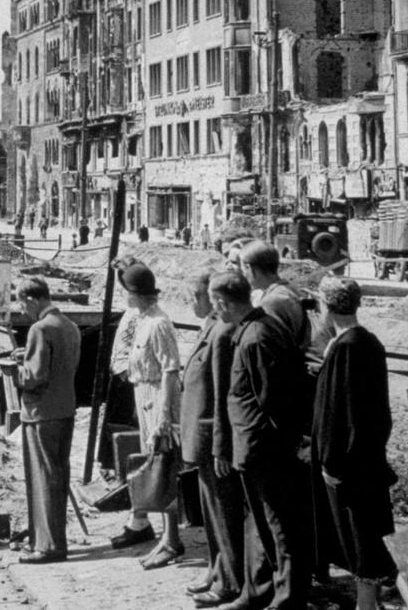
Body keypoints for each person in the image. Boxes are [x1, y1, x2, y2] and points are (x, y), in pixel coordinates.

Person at [208, 271, 309, 610]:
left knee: (279, 526)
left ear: (223, 302)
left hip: (265, 450)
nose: (214, 312)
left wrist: (276, 445)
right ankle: (260, 591)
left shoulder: (256, 337)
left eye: (214, 305)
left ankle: (287, 600)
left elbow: (275, 401)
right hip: (254, 448)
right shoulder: (253, 330)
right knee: (263, 524)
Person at [311, 276, 395, 610]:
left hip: (350, 463)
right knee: (367, 530)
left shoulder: (345, 347)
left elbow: (338, 411)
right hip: (367, 457)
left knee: (359, 534)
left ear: (325, 307)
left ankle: (365, 604)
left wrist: (332, 462)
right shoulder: (368, 342)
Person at [114, 261, 184, 569]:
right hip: (143, 394)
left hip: (158, 397)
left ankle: (172, 540)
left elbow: (170, 370)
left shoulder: (158, 323)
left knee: (164, 466)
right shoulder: (141, 319)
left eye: (127, 291)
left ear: (137, 293)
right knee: (150, 465)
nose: (125, 297)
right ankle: (152, 529)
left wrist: (165, 415)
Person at [181, 272, 245, 607]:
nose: (191, 305)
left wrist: (220, 444)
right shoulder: (211, 327)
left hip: (213, 439)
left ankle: (229, 582)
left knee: (224, 514)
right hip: (203, 438)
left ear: (210, 298)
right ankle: (217, 570)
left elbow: (222, 395)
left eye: (193, 299)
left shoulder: (222, 333)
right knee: (211, 513)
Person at [10, 275, 81, 564]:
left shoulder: (40, 329)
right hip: (64, 409)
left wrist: (14, 371)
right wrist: (25, 357)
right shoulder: (69, 325)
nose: (21, 311)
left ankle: (49, 546)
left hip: (41, 413)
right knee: (57, 476)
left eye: (21, 304)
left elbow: (36, 376)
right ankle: (49, 540)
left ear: (32, 299)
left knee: (43, 479)